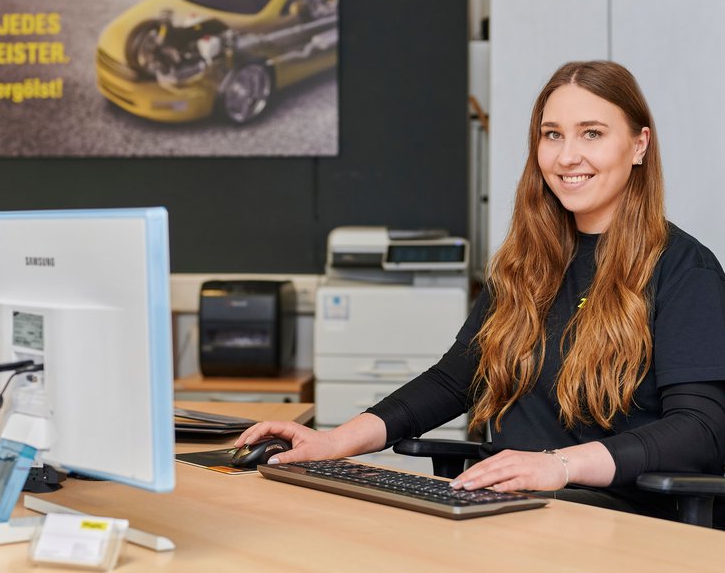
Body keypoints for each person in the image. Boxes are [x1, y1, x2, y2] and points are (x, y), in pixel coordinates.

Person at [236, 60, 725, 521]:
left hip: (614, 519)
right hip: (511, 505)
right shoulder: (528, 262)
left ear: (639, 145)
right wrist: (334, 442)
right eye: (551, 135)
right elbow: (455, 380)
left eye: (591, 134)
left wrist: (559, 465)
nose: (567, 155)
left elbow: (701, 429)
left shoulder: (684, 269)